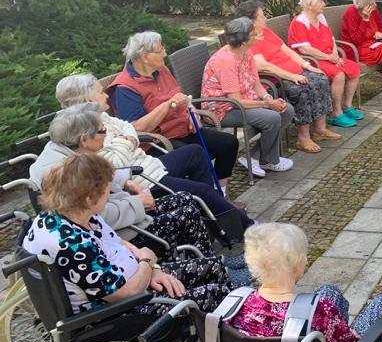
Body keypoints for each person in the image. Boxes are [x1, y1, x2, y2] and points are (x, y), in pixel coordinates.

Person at [22, 152, 230, 315]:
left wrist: (153, 269)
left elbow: (116, 242)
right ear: (89, 198)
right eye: (107, 191)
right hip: (119, 312)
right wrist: (147, 261)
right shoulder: (71, 245)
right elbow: (127, 292)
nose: (110, 195)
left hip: (136, 278)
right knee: (216, 293)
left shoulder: (70, 214)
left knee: (214, 267)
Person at [54, 73, 254, 230]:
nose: (106, 95)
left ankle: (209, 216)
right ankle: (246, 228)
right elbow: (114, 165)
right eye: (101, 92)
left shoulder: (101, 116)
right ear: (88, 99)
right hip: (140, 179)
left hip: (148, 164)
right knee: (203, 191)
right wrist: (127, 141)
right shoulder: (85, 131)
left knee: (195, 152)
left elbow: (128, 126)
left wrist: (126, 139)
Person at [28, 103, 216, 256]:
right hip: (114, 236)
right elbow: (96, 217)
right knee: (187, 213)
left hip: (120, 214)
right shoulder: (66, 172)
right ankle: (205, 268)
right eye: (103, 131)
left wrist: (124, 181)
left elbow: (97, 180)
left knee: (185, 198)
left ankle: (204, 259)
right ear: (84, 139)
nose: (107, 134)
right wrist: (138, 203)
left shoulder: (66, 150)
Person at [229, 223, 382, 342]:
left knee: (329, 291)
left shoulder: (239, 305)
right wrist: (351, 334)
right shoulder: (320, 311)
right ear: (297, 265)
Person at [109, 31, 240, 194]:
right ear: (145, 56)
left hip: (183, 129)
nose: (165, 54)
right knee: (198, 156)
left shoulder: (161, 70)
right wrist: (167, 106)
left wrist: (192, 110)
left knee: (229, 143)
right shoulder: (125, 88)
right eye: (160, 50)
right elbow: (136, 128)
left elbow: (180, 96)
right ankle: (206, 199)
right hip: (159, 141)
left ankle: (220, 192)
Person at [235, 0, 340, 155]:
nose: (265, 19)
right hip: (275, 80)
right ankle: (303, 138)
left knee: (321, 78)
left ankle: (319, 129)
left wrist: (307, 66)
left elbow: (288, 51)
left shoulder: (267, 32)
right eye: (262, 16)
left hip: (294, 73)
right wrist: (292, 76)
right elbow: (265, 66)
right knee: (302, 89)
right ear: (251, 21)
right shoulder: (247, 41)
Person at [201, 16, 295, 178]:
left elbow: (257, 84)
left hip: (244, 101)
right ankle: (264, 159)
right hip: (222, 109)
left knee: (287, 110)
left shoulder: (246, 52)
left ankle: (256, 158)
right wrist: (267, 105)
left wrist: (268, 98)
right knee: (272, 118)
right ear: (243, 41)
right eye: (253, 34)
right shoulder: (225, 61)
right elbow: (235, 101)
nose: (257, 36)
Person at [288, 0, 364, 128]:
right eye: (321, 1)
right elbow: (305, 49)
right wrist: (330, 57)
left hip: (328, 57)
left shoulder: (321, 18)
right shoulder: (299, 22)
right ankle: (336, 113)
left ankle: (347, 105)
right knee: (338, 74)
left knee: (354, 68)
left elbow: (332, 39)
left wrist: (335, 55)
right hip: (312, 61)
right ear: (310, 4)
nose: (324, 4)